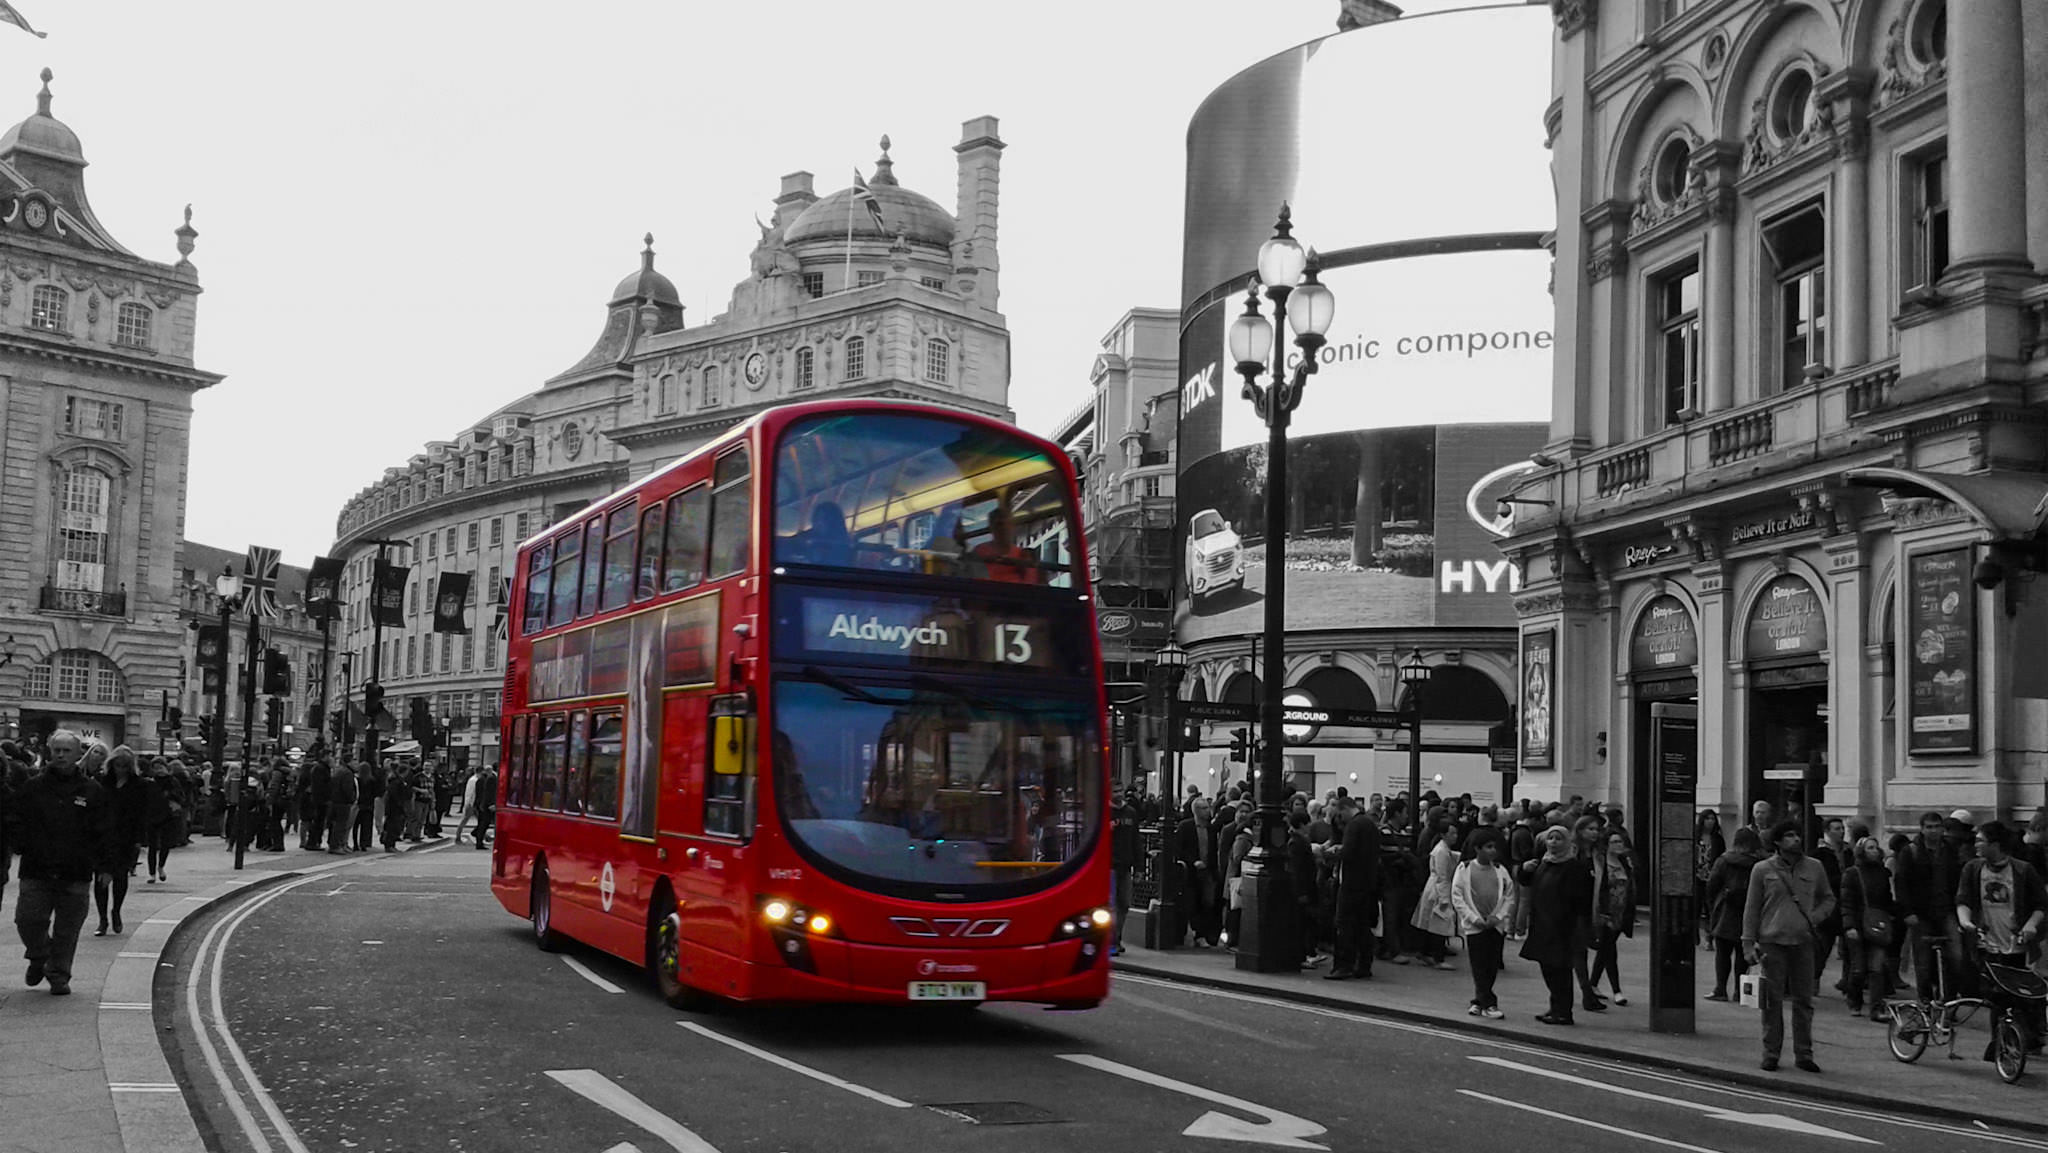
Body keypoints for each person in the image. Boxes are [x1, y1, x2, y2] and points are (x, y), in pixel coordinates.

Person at [5, 731, 110, 995]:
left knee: (67, 929)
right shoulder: (33, 787)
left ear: (77, 755)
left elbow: (104, 831)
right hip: (37, 868)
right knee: (27, 920)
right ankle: (39, 954)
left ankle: (58, 974)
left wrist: (106, 866)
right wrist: (21, 843)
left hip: (75, 870)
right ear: (51, 753)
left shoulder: (91, 790)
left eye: (67, 751)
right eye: (57, 750)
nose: (61, 755)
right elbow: (15, 818)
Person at [1743, 819, 1835, 1073]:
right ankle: (1770, 1053)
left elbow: (1828, 898)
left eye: (1798, 835)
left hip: (1803, 942)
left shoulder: (1815, 867)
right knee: (1771, 1001)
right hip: (1772, 942)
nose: (1796, 839)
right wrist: (1748, 943)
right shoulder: (1762, 869)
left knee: (1803, 1001)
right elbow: (1751, 908)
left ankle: (1804, 1054)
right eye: (1789, 836)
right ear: (1777, 842)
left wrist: (1814, 918)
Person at [1956, 820, 2048, 1059]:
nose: (1976, 844)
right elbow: (1963, 901)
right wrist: (1966, 922)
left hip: (2017, 945)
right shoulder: (1972, 869)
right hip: (1986, 944)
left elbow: (2041, 905)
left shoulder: (2023, 870)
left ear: (1995, 844)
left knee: (2021, 995)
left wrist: (2030, 926)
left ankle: (2022, 1038)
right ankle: (2001, 1043)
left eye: (1980, 841)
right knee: (1997, 995)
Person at [1520, 826, 1591, 1026]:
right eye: (1550, 838)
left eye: (1558, 839)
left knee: (1560, 969)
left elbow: (1579, 899)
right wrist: (1524, 871)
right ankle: (1555, 1006)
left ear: (1567, 842)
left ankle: (1563, 1012)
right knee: (1547, 968)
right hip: (1542, 924)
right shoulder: (1543, 862)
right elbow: (1527, 883)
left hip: (1561, 927)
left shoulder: (1573, 867)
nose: (1553, 842)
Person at [1899, 810, 1968, 1000]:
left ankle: (1948, 1000)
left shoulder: (1950, 850)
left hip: (1947, 910)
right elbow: (1902, 883)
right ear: (1921, 829)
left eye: (1937, 827)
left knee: (1956, 958)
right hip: (1921, 913)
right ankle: (1926, 1002)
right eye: (1929, 827)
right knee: (1923, 962)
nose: (1933, 831)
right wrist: (1907, 912)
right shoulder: (1910, 851)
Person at [1453, 827, 1515, 1019]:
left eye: (1494, 847)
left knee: (1491, 965)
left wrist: (1498, 917)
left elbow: (1509, 896)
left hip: (1495, 926)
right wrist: (1474, 919)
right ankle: (1489, 1003)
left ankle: (1479, 1002)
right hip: (1475, 927)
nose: (1493, 851)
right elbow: (1458, 897)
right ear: (1477, 849)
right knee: (1478, 966)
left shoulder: (1500, 870)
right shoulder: (1464, 869)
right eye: (1488, 847)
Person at [1839, 835, 1899, 1020]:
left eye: (1875, 847)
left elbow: (1888, 899)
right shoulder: (1852, 873)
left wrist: (1894, 915)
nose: (1874, 851)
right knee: (1858, 969)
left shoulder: (1882, 873)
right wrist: (1849, 925)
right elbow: (1847, 902)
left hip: (1878, 924)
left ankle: (1876, 1008)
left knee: (1877, 968)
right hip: (1858, 925)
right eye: (1869, 848)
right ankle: (1854, 999)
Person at [1706, 826, 1766, 1001]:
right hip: (1750, 912)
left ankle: (1720, 989)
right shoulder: (1761, 862)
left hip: (1726, 910)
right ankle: (1741, 992)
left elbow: (1712, 884)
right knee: (1743, 953)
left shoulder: (1725, 860)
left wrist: (1712, 905)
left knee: (1723, 953)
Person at [1324, 794, 1379, 981]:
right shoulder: (1369, 824)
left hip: (1351, 882)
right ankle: (1364, 964)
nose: (1341, 819)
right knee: (1362, 925)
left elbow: (1348, 853)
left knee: (1343, 923)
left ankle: (1343, 965)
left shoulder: (1354, 826)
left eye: (1340, 814)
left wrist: (1334, 852)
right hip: (1366, 883)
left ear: (1345, 809)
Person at [94, 747, 147, 937]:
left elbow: (141, 813)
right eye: (118, 765)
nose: (121, 770)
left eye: (125, 766)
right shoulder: (102, 782)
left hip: (126, 836)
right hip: (103, 835)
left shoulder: (138, 785)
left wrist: (139, 839)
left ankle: (116, 911)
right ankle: (102, 919)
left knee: (120, 876)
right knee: (100, 878)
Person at [1588, 826, 1637, 1005]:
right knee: (1609, 950)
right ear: (1606, 844)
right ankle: (1617, 990)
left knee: (1605, 950)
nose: (1619, 845)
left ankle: (1592, 984)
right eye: (1614, 842)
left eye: (1620, 841)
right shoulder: (1601, 863)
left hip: (1621, 912)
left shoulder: (1625, 863)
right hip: (1605, 912)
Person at [1410, 821, 1460, 970]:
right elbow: (1442, 876)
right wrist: (1444, 898)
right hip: (1438, 891)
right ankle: (1437, 957)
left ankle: (1424, 952)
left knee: (1429, 924)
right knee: (1440, 924)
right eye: (1452, 833)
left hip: (1435, 888)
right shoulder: (1442, 852)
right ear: (1444, 835)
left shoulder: (1443, 850)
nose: (1455, 836)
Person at [1177, 797, 1221, 947]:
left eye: (1207, 807)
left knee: (1207, 902)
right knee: (1192, 902)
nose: (1207, 811)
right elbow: (1180, 849)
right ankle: (1197, 934)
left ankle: (1203, 934)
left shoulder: (1211, 828)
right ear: (1195, 810)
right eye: (1203, 808)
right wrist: (1193, 861)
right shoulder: (1186, 826)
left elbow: (1213, 851)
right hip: (1191, 871)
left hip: (1207, 871)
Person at [1109, 787, 1141, 955]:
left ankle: (1117, 937)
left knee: (1124, 904)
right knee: (1112, 906)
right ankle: (1112, 942)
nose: (1118, 793)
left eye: (1120, 790)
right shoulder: (1103, 812)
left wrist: (1139, 867)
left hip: (1126, 866)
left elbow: (1136, 840)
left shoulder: (1131, 812)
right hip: (1109, 866)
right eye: (1114, 791)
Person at [1695, 809, 1726, 946]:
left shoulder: (1718, 839)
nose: (1710, 822)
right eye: (1707, 818)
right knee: (1695, 906)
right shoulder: (1695, 836)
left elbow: (1721, 857)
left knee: (1711, 907)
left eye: (1713, 819)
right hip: (1697, 875)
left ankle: (1710, 937)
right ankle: (1694, 934)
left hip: (1712, 876)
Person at [471, 762, 498, 849]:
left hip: (484, 804)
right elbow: (487, 793)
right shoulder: (490, 778)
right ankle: (479, 842)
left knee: (484, 823)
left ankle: (477, 836)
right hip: (485, 805)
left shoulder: (490, 777)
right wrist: (490, 804)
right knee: (484, 823)